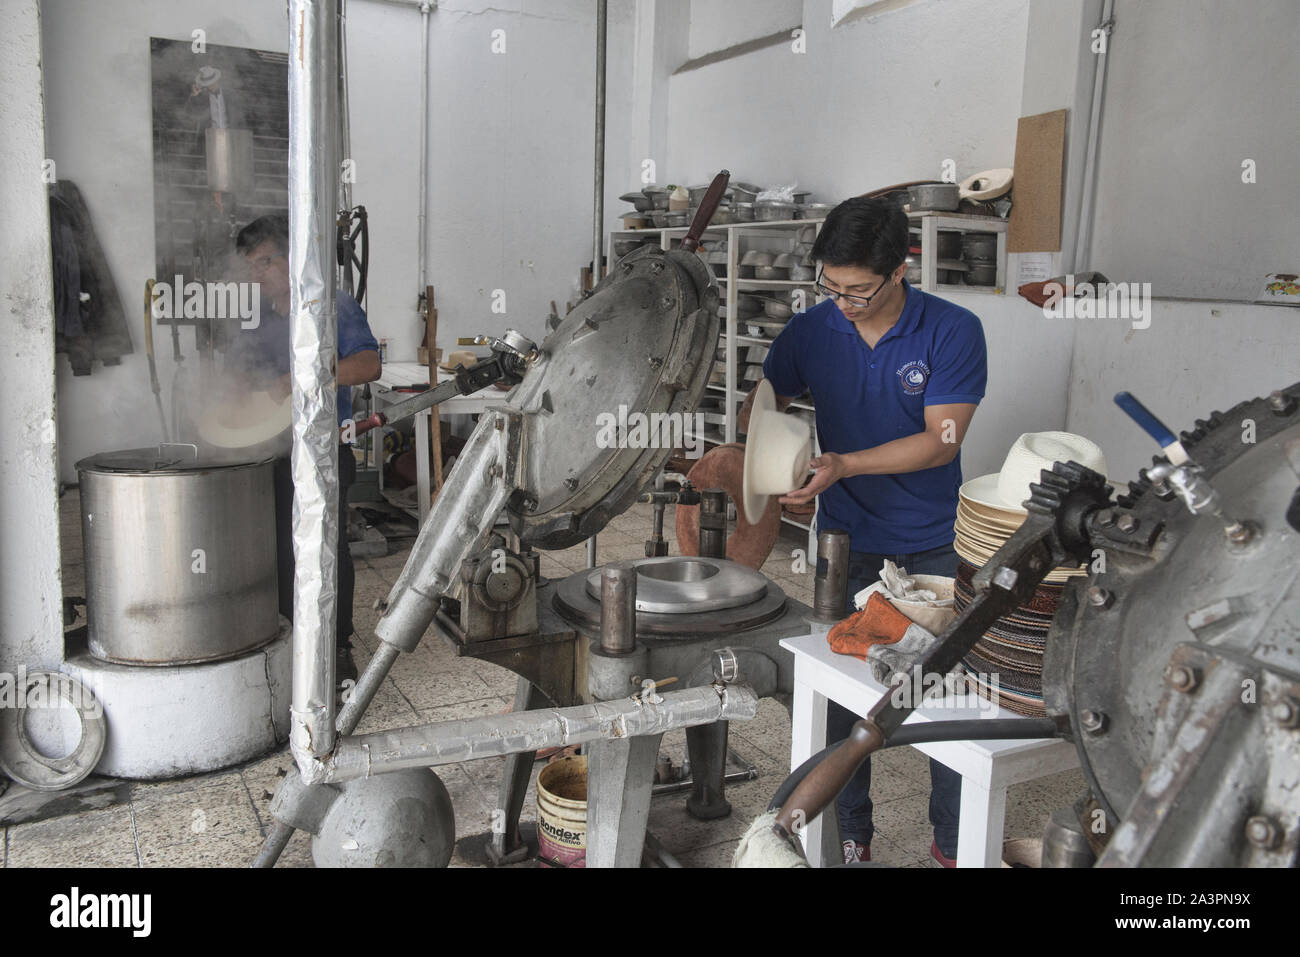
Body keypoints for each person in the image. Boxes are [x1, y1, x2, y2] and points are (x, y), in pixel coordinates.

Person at [750, 197, 988, 867]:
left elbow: (942, 441)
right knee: (840, 696)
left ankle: (952, 844)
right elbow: (770, 394)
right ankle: (850, 835)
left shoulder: (952, 330)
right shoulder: (811, 330)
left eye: (858, 289)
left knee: (941, 697)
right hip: (845, 540)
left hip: (935, 540)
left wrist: (843, 462)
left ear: (899, 269)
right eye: (832, 287)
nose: (844, 302)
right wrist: (772, 452)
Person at [230, 214, 382, 684]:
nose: (255, 274)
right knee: (277, 546)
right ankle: (290, 640)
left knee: (324, 549)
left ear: (291, 258)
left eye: (264, 262)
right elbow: (249, 377)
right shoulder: (261, 317)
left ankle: (337, 648)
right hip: (271, 452)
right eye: (249, 266)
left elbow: (368, 364)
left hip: (321, 453)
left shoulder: (328, 304)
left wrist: (305, 377)